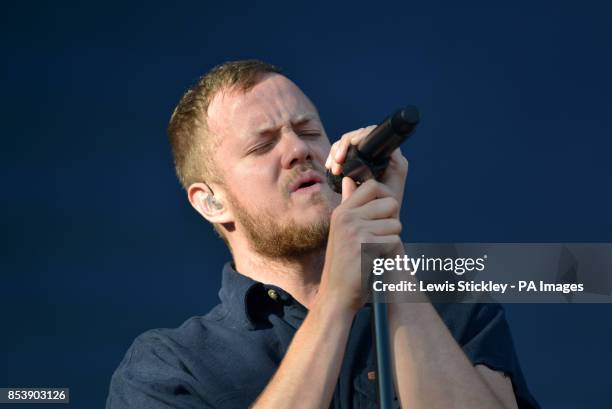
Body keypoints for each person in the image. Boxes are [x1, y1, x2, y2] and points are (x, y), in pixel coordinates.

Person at [106, 60, 540, 409]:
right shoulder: (170, 365)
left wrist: (386, 261)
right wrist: (335, 300)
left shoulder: (449, 306)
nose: (299, 150)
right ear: (211, 202)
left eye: (310, 131)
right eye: (262, 146)